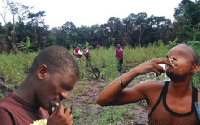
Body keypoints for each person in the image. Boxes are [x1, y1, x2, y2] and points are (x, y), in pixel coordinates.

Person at [96, 44, 200, 124]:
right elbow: (103, 100)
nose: (171, 59)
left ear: (195, 68)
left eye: (180, 55)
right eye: (169, 56)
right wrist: (134, 71)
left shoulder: (198, 100)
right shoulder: (152, 89)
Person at [0, 46, 80, 125]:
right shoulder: (5, 113)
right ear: (42, 72)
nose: (65, 96)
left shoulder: (43, 112)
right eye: (63, 86)